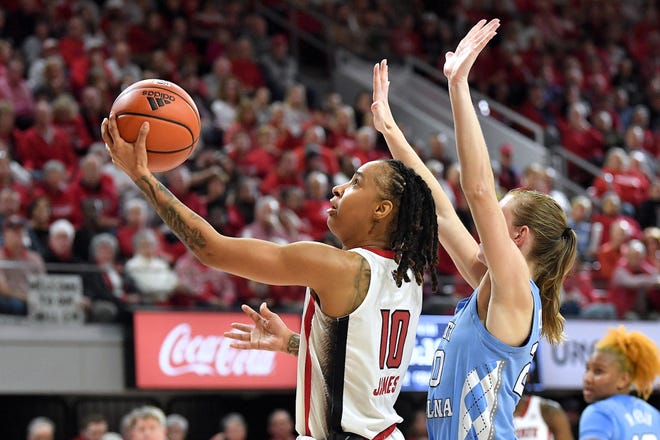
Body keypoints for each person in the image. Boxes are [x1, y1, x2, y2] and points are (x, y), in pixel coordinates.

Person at [101, 82, 439, 438]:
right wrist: (295, 344)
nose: (338, 188)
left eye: (356, 183)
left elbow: (212, 249)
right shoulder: (409, 272)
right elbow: (360, 363)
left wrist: (141, 176)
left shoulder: (338, 267)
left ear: (381, 209)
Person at [370, 20, 576, 438]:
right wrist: (390, 130)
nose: (482, 230)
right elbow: (441, 212)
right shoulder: (493, 285)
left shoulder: (518, 286)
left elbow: (479, 189)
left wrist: (458, 84)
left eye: (496, 221)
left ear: (519, 237)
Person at [580, 326, 660, 439]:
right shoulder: (655, 415)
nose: (587, 378)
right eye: (587, 369)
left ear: (623, 380)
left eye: (598, 372)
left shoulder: (599, 413)